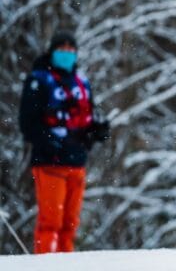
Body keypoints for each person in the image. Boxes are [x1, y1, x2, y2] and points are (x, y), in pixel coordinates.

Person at [18, 31, 110, 253]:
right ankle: (46, 267)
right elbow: (28, 123)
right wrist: (51, 142)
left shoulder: (81, 82)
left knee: (70, 224)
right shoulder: (39, 80)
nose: (67, 53)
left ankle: (66, 269)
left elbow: (87, 117)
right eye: (62, 49)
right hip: (50, 162)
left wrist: (98, 131)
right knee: (51, 221)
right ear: (52, 51)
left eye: (71, 49)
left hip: (77, 161)